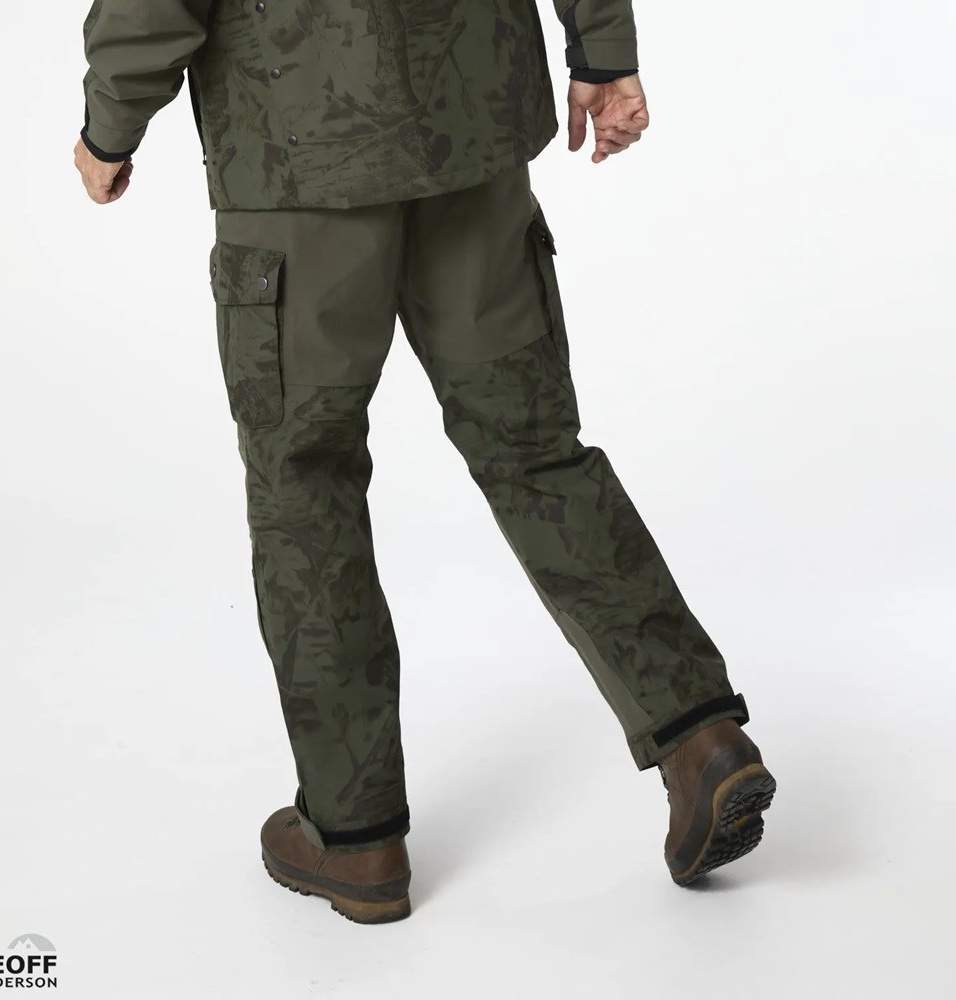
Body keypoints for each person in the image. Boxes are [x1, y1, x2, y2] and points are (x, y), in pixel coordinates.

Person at [74, 0, 776, 924]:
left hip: (299, 161)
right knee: (536, 452)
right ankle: (700, 736)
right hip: (469, 125)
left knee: (305, 484)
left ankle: (355, 835)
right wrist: (603, 50)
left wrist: (110, 124)